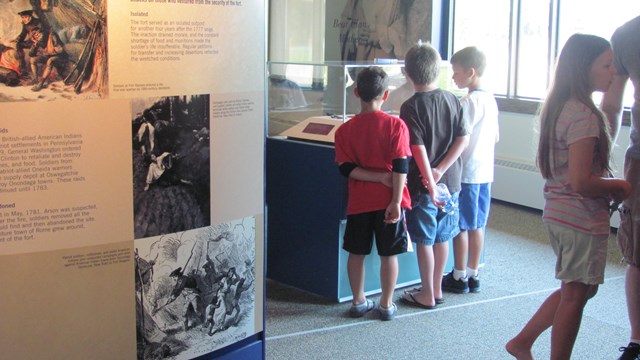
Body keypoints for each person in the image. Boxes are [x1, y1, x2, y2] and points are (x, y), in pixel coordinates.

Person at [506, 34, 632, 360]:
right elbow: (581, 181)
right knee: (576, 296)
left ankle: (521, 342)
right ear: (583, 68)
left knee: (579, 289)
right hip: (578, 217)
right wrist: (620, 186)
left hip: (561, 213)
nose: (614, 71)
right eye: (606, 65)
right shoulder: (583, 115)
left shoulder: (562, 107)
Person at [334, 66, 412, 321]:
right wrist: (396, 200)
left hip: (360, 202)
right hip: (389, 200)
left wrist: (374, 176)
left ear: (356, 92)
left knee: (357, 252)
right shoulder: (396, 125)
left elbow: (347, 169)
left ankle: (358, 301)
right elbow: (401, 165)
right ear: (386, 95)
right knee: (389, 254)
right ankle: (386, 304)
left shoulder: (344, 130)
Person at [399, 43, 469, 309]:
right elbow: (463, 138)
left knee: (425, 239)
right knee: (443, 236)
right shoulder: (452, 99)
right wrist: (442, 170)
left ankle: (427, 292)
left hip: (424, 185)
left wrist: (430, 179)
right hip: (451, 181)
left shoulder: (411, 106)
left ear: (407, 73)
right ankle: (437, 288)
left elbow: (417, 149)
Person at [441, 46, 500, 294]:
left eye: (456, 73)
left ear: (471, 72)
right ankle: (474, 272)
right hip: (485, 172)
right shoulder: (490, 99)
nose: (453, 77)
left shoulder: (468, 102)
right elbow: (496, 137)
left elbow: (459, 137)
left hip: (467, 174)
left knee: (460, 226)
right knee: (477, 224)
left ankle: (459, 274)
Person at [601, 15, 640, 360]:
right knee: (638, 254)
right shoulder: (628, 34)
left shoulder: (628, 34)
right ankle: (637, 341)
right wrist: (600, 160)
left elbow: (612, 104)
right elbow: (612, 104)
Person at [27, 25, 68, 92]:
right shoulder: (39, 42)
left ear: (42, 32)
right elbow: (31, 54)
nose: (38, 36)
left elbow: (60, 51)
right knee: (32, 60)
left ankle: (41, 83)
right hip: (49, 56)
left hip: (60, 57)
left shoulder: (51, 36)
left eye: (38, 34)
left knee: (50, 61)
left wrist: (55, 47)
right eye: (35, 36)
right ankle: (35, 79)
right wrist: (35, 45)